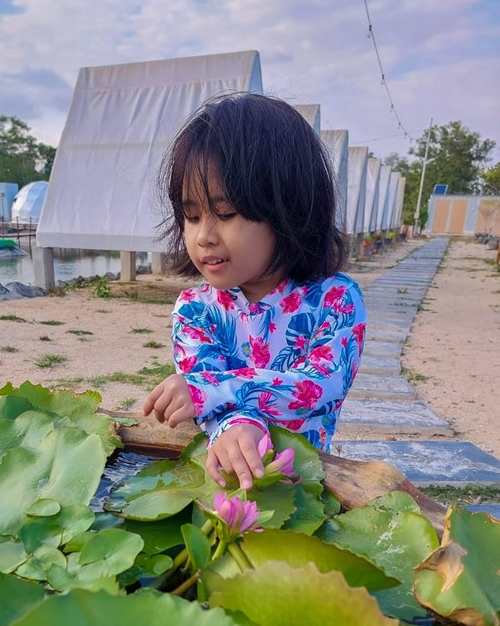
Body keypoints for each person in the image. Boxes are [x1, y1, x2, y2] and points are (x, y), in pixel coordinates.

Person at [143, 93, 366, 491]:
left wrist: (211, 391)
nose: (203, 237)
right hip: (227, 479)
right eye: (192, 216)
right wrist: (237, 422)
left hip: (309, 487)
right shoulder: (195, 310)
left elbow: (320, 386)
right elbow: (204, 382)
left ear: (289, 208)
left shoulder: (334, 299)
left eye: (226, 214)